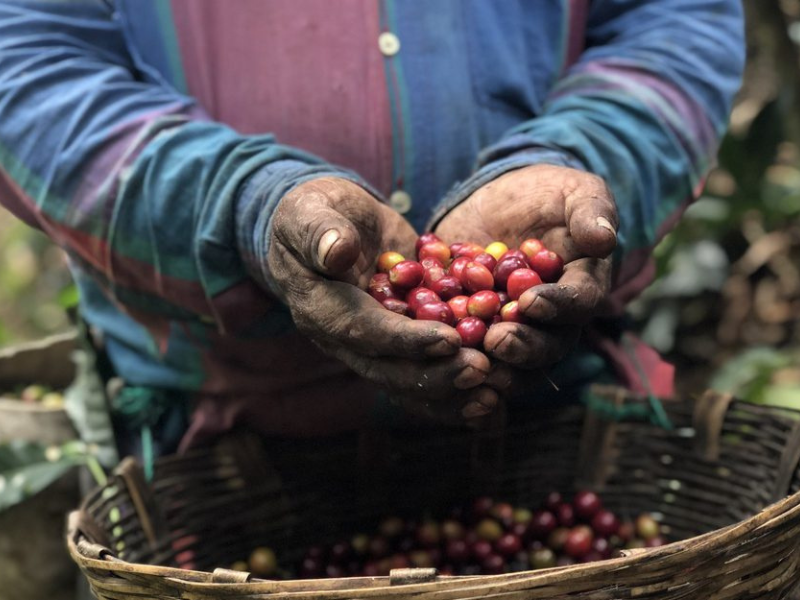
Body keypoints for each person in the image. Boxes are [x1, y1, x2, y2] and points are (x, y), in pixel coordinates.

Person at [0, 1, 744, 458]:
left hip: (563, 420)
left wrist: (583, 156)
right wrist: (241, 203)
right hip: (216, 447)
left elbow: (673, 23)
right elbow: (26, 68)